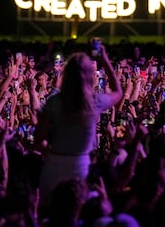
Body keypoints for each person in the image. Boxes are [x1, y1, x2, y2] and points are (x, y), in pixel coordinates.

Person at [34, 41, 123, 211]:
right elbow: (118, 93)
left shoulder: (54, 102)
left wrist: (49, 151)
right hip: (80, 166)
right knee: (77, 211)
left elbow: (38, 139)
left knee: (49, 211)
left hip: (53, 165)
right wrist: (104, 60)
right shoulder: (95, 101)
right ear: (90, 76)